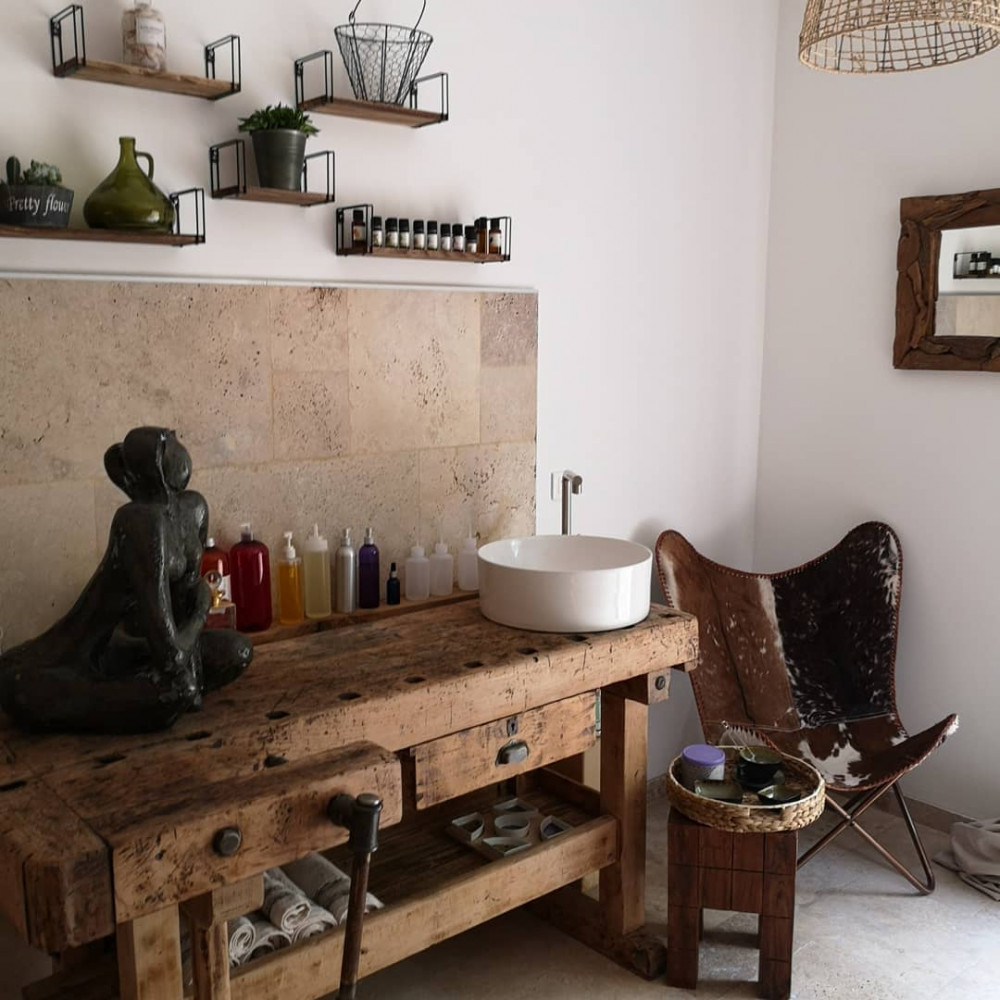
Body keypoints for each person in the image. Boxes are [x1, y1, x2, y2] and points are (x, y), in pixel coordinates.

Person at [0, 427, 251, 733]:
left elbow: (181, 610)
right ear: (154, 465)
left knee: (236, 651)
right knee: (176, 690)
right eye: (166, 443)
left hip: (130, 647)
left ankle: (141, 691)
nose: (177, 446)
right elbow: (172, 655)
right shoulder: (139, 521)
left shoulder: (193, 508)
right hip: (79, 658)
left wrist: (194, 686)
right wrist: (201, 611)